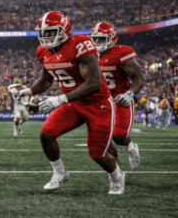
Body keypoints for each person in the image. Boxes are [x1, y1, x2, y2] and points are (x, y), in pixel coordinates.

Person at [11, 11, 123, 195]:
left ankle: (117, 177)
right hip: (75, 104)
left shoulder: (81, 44)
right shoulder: (43, 51)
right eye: (43, 32)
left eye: (51, 32)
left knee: (97, 153)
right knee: (46, 134)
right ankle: (60, 172)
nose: (46, 37)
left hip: (98, 104)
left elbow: (95, 83)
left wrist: (59, 99)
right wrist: (28, 91)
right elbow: (46, 80)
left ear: (64, 31)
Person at [90, 22, 144, 169]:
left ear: (111, 38)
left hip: (121, 98)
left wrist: (129, 93)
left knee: (119, 136)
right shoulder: (88, 56)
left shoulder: (122, 52)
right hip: (101, 100)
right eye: (94, 38)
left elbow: (139, 78)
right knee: (102, 137)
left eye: (100, 39)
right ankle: (115, 171)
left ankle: (132, 149)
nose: (96, 42)